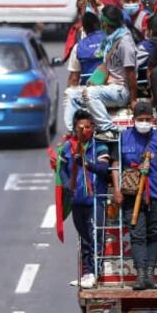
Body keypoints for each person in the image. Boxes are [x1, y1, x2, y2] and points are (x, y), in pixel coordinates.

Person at [52, 110, 116, 289]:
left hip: (94, 201)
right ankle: (87, 273)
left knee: (96, 236)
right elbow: (62, 170)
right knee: (84, 239)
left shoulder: (99, 146)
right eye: (81, 127)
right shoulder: (68, 147)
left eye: (88, 127)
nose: (84, 130)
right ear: (74, 128)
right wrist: (68, 187)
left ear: (93, 128)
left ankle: (95, 272)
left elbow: (103, 170)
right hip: (77, 201)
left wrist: (87, 164)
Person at [118, 100, 157, 291]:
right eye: (140, 119)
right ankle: (140, 275)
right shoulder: (123, 137)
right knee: (137, 235)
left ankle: (149, 274)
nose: (144, 122)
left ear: (153, 120)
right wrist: (117, 190)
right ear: (133, 119)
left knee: (154, 234)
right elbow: (116, 165)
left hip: (155, 194)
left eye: (148, 119)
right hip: (132, 196)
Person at [66, 6, 136, 141]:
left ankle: (108, 129)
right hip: (108, 88)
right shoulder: (110, 40)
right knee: (72, 94)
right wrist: (93, 81)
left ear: (105, 23)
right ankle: (73, 135)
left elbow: (131, 73)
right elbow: (105, 66)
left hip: (120, 91)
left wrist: (133, 100)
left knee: (89, 94)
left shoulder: (125, 42)